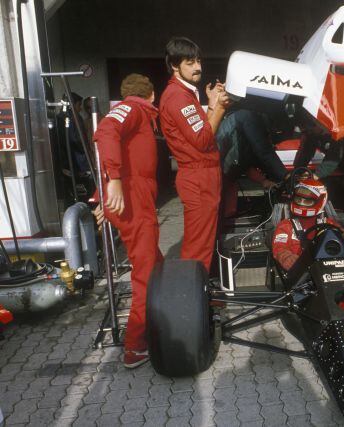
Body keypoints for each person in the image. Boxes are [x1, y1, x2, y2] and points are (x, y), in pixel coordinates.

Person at [93, 73, 163, 368]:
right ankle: (135, 346)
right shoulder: (134, 109)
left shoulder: (137, 113)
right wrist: (114, 182)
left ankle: (157, 325)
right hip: (134, 200)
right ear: (152, 95)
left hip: (133, 198)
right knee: (146, 275)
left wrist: (101, 195)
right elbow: (105, 131)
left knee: (156, 266)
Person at [159, 37, 229, 272]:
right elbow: (202, 139)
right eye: (190, 63)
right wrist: (220, 107)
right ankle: (191, 299)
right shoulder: (178, 96)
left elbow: (200, 130)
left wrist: (211, 105)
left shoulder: (186, 93)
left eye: (198, 61)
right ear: (175, 66)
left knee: (204, 243)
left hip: (203, 175)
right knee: (198, 247)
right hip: (198, 177)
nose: (198, 67)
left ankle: (198, 296)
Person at [272, 177, 344, 271]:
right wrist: (295, 262)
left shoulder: (330, 224)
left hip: (329, 270)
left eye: (307, 201)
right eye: (298, 199)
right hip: (301, 272)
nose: (301, 203)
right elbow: (280, 250)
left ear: (320, 201)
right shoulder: (286, 226)